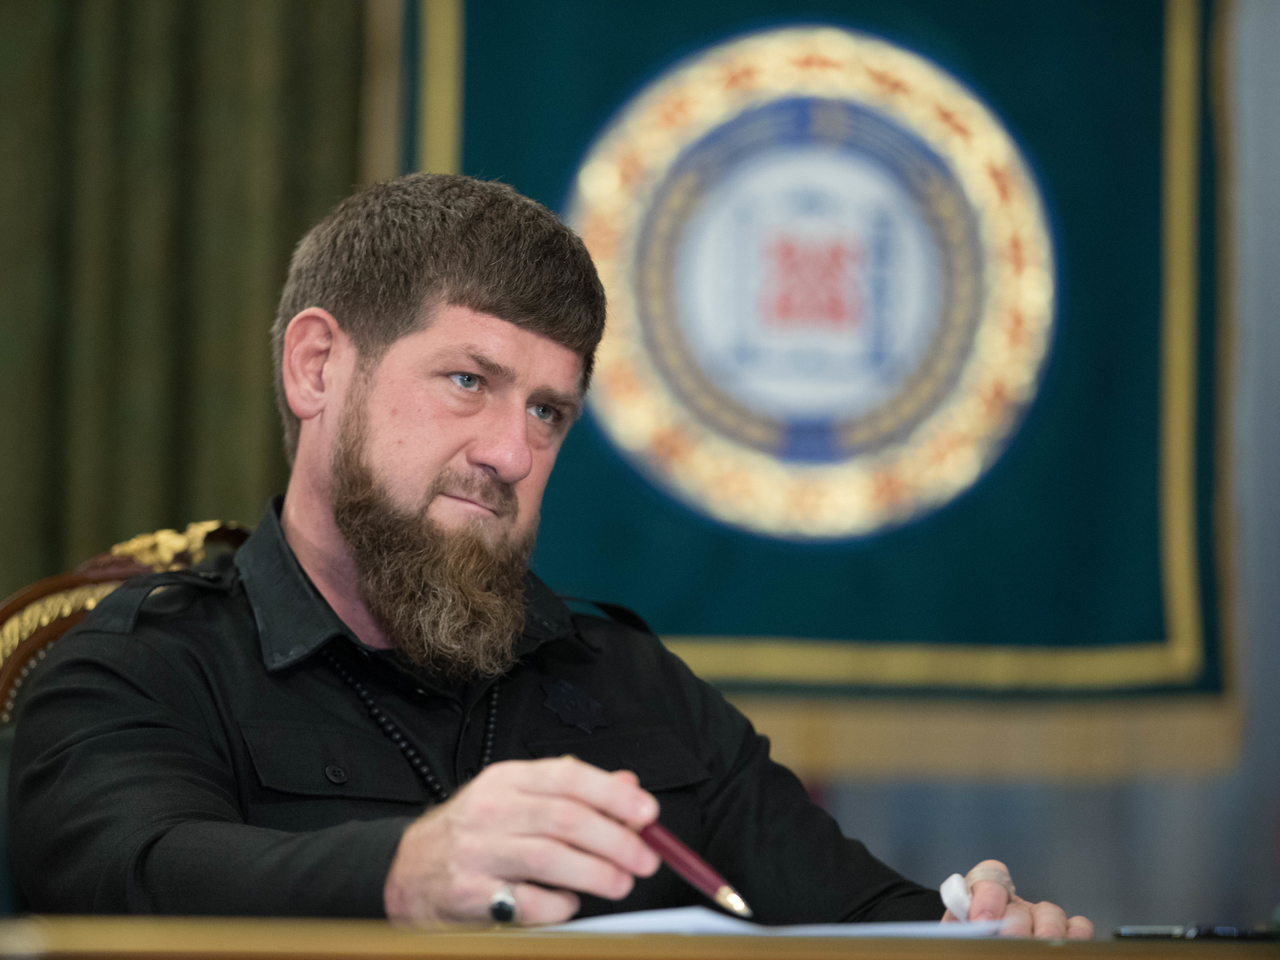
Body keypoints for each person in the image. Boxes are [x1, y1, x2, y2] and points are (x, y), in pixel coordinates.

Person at [10, 174, 1091, 938]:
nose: (511, 453)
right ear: (317, 367)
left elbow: (858, 920)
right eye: (467, 382)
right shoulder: (139, 665)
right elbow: (124, 878)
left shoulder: (629, 682)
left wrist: (979, 930)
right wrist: (403, 875)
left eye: (547, 412)